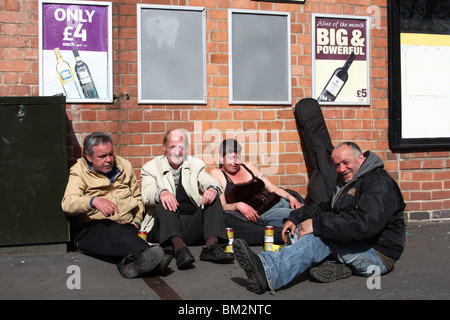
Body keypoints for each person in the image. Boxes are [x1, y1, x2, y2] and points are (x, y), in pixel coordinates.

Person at [233, 142, 406, 293]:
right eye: (337, 165)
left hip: (377, 254)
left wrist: (318, 225)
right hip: (358, 244)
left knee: (321, 238)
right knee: (298, 233)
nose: (341, 169)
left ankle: (268, 271)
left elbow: (363, 225)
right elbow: (325, 207)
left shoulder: (379, 184)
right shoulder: (351, 181)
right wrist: (295, 217)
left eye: (346, 163)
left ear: (361, 158)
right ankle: (338, 267)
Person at [61, 132, 170, 279]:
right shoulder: (79, 171)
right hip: (92, 228)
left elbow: (137, 198)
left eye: (110, 154)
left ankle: (131, 263)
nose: (108, 160)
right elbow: (68, 203)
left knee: (122, 234)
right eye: (102, 156)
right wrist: (93, 201)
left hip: (126, 226)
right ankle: (153, 258)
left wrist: (137, 221)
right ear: (88, 157)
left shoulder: (124, 166)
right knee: (109, 230)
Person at [140, 129, 234, 270]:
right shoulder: (150, 167)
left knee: (213, 197)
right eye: (172, 147)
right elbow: (146, 194)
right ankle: (180, 250)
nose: (177, 152)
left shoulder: (195, 165)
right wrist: (161, 193)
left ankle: (211, 247)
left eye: (181, 147)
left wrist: (212, 189)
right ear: (164, 146)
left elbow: (210, 181)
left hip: (190, 224)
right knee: (164, 201)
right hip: (164, 226)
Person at [210, 139, 302, 244]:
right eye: (231, 158)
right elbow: (222, 205)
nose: (235, 162)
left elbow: (273, 188)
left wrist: (291, 198)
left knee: (309, 212)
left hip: (281, 202)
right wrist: (238, 205)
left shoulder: (248, 166)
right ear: (221, 158)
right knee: (302, 217)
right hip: (267, 212)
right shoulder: (217, 174)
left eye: (238, 157)